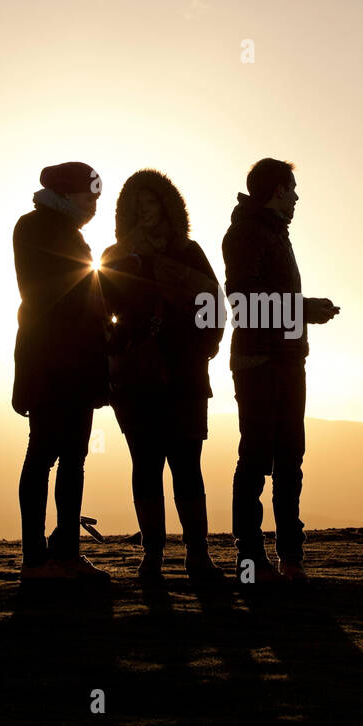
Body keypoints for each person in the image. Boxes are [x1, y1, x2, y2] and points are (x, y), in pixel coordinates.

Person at [98, 169, 226, 584]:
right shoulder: (116, 255)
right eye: (136, 206)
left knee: (188, 464)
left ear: (167, 206)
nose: (143, 211)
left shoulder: (189, 253)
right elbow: (100, 310)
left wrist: (202, 348)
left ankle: (197, 555)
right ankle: (152, 555)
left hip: (185, 373)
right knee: (146, 464)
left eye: (149, 203)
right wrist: (119, 347)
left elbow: (213, 306)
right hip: (137, 378)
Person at [222, 158, 340, 584]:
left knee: (289, 458)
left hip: (287, 360)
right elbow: (240, 301)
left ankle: (291, 557)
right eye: (291, 188)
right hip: (259, 362)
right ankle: (252, 560)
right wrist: (305, 310)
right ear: (275, 190)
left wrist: (306, 314)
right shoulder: (245, 234)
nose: (296, 196)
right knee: (256, 459)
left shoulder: (270, 233)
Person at [11, 162, 110, 581]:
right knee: (47, 457)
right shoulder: (37, 229)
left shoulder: (59, 231)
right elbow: (59, 296)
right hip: (54, 366)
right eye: (89, 197)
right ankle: (40, 558)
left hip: (70, 366)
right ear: (67, 194)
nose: (93, 205)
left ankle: (61, 552)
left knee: (69, 458)